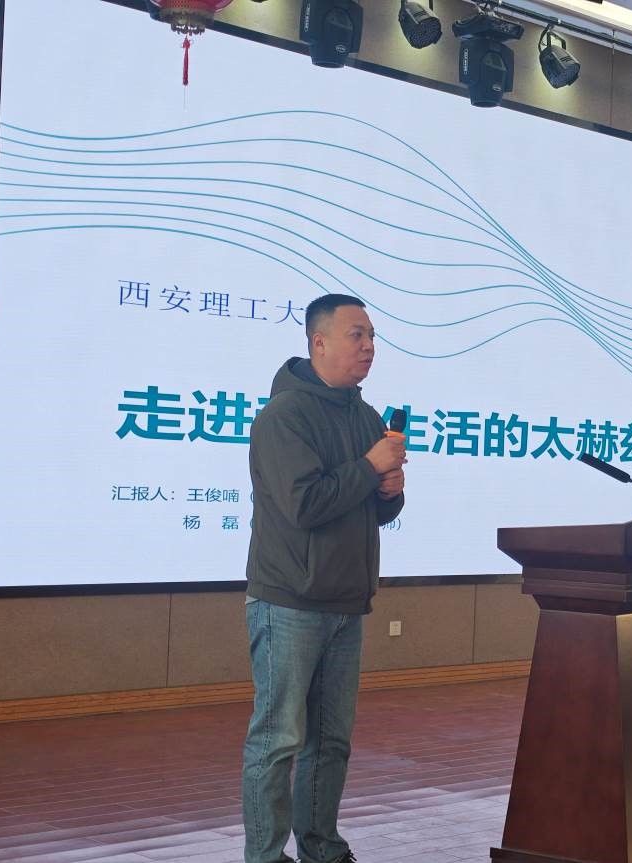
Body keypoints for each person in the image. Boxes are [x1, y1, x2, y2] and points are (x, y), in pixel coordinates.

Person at [242, 294, 406, 863]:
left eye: (372, 336)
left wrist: (390, 491)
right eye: (357, 335)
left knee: (330, 742)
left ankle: (322, 848)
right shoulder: (283, 417)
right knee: (278, 740)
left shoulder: (366, 417)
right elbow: (305, 505)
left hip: (346, 602)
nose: (369, 347)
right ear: (319, 342)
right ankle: (265, 856)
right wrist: (370, 468)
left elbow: (372, 510)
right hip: (289, 601)